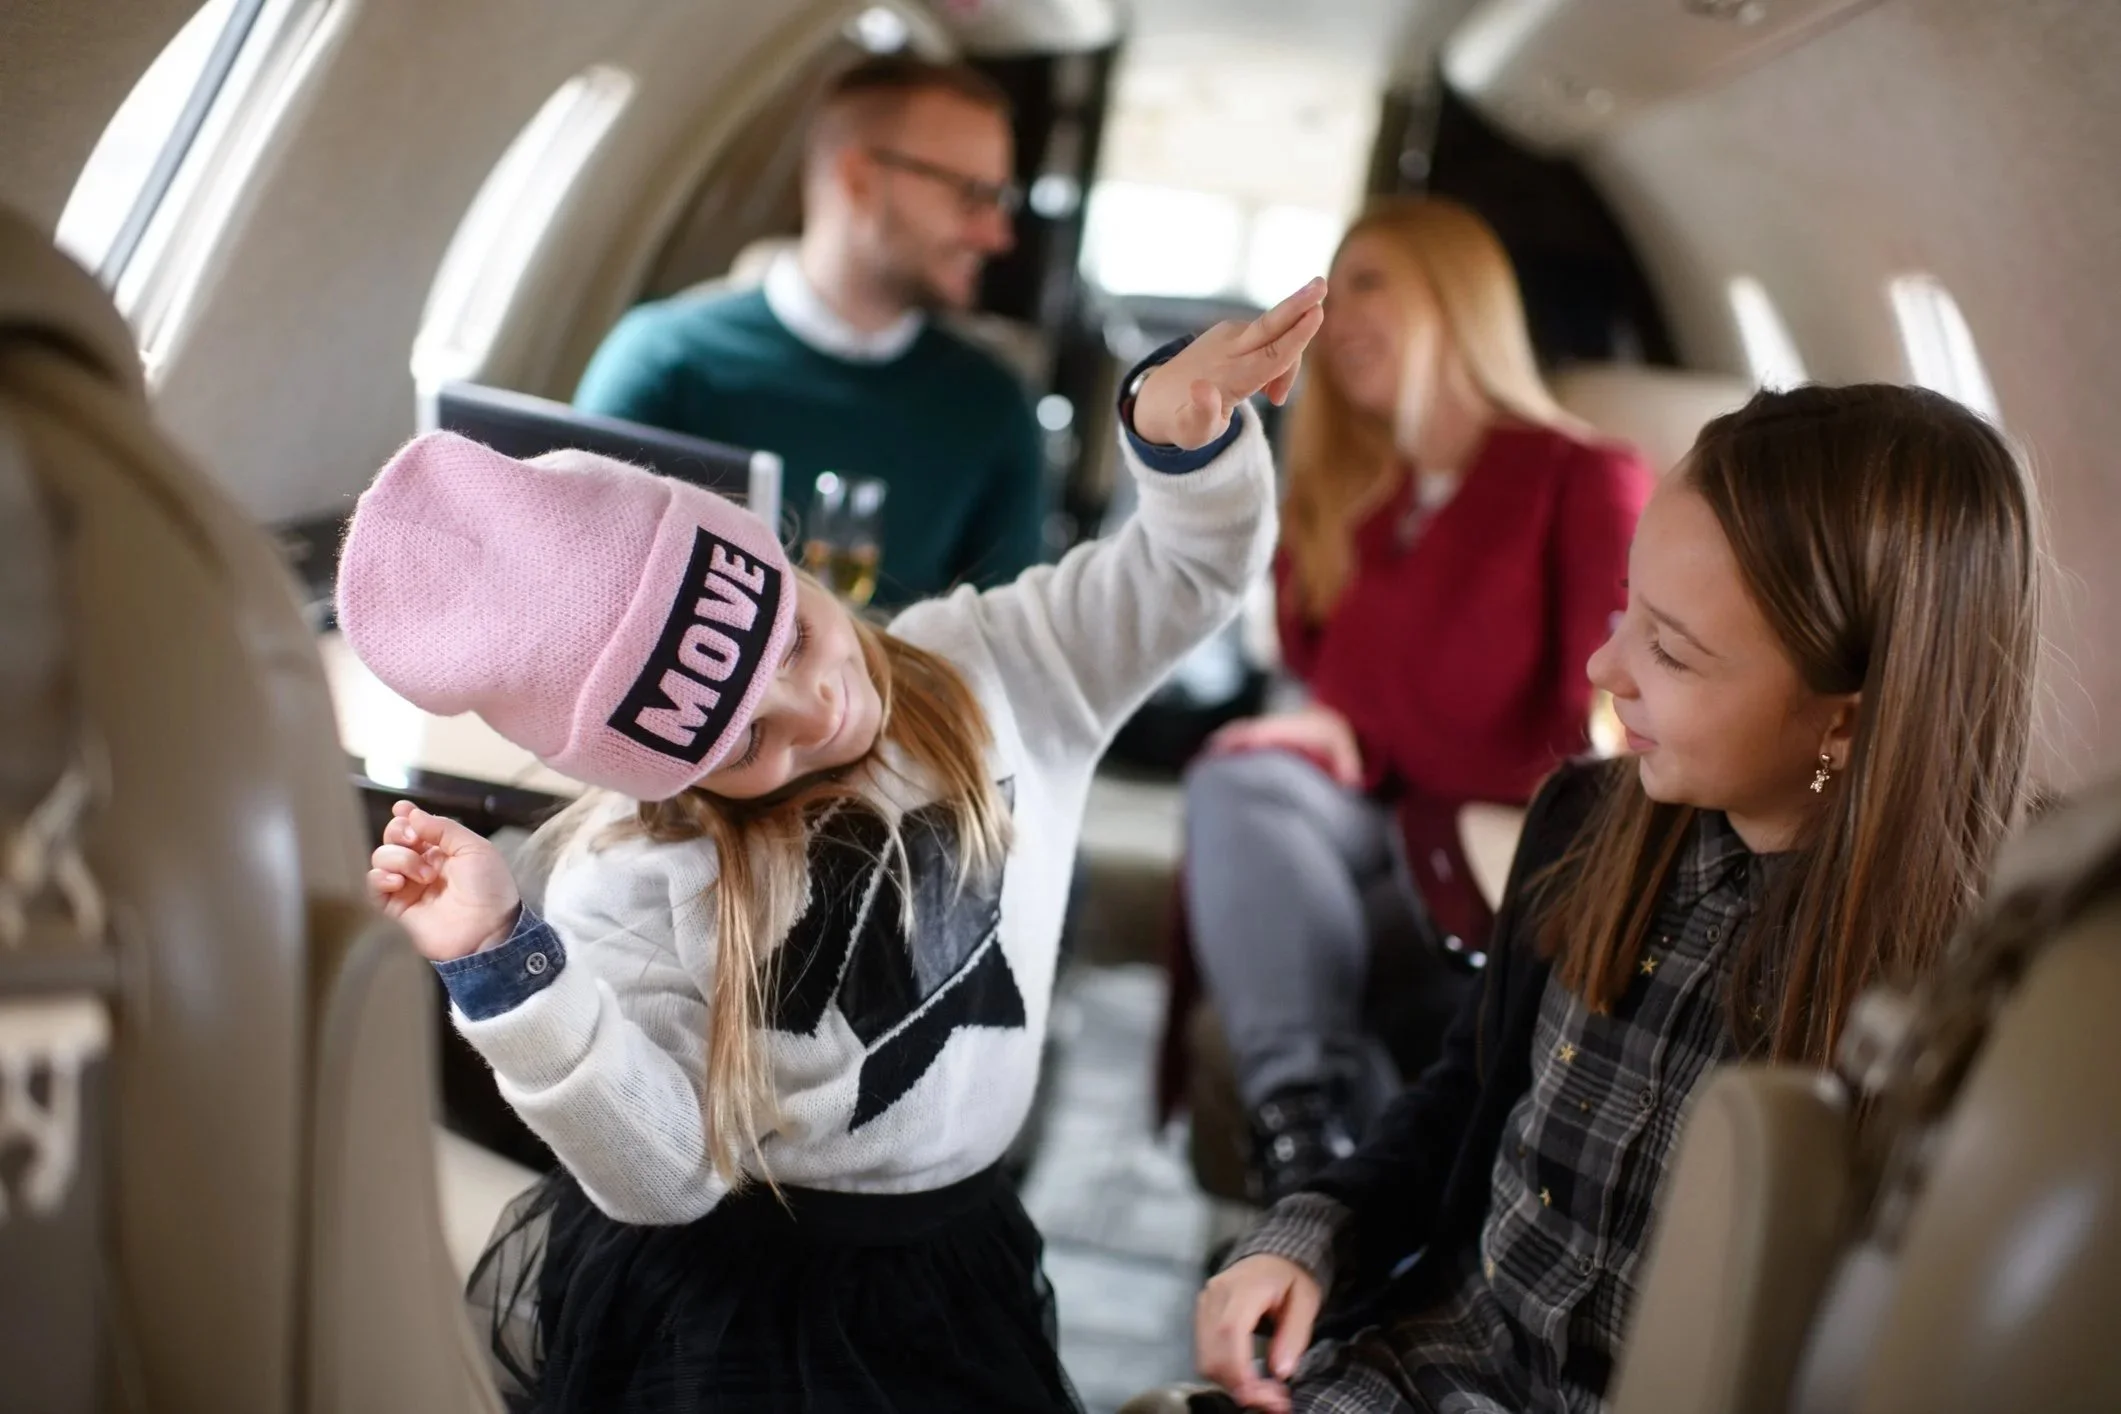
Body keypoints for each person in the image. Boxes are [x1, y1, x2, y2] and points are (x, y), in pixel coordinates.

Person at [343, 282, 1326, 1412]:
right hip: (738, 1312)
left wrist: (1176, 439)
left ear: (787, 563)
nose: (818, 707)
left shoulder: (993, 668)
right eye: (746, 734)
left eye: (795, 633)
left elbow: (1183, 578)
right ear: (665, 776)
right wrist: (508, 963)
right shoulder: (628, 883)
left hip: (955, 1246)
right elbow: (665, 1167)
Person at [1192, 382, 2044, 1414]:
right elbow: (1465, 1091)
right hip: (1435, 1364)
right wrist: (1315, 1232)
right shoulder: (1582, 821)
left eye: (1672, 651)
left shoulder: (1975, 997)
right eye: (1626, 610)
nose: (1605, 667)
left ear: (1847, 724)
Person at [1179, 197, 1654, 1204]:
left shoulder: (1582, 476)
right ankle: (1301, 1131)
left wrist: (1358, 728)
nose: (1332, 312)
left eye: (1368, 282)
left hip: (1491, 829)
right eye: (1327, 285)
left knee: (1335, 915)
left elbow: (1598, 722)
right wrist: (1326, 721)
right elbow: (1318, 663)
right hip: (1364, 811)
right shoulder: (1367, 489)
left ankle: (1322, 1170)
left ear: (1457, 296)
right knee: (1238, 778)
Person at [574, 56, 1043, 610]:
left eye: (1000, 199)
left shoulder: (991, 406)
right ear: (860, 179)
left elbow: (1002, 649)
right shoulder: (666, 360)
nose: (997, 235)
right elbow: (579, 590)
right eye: (972, 195)